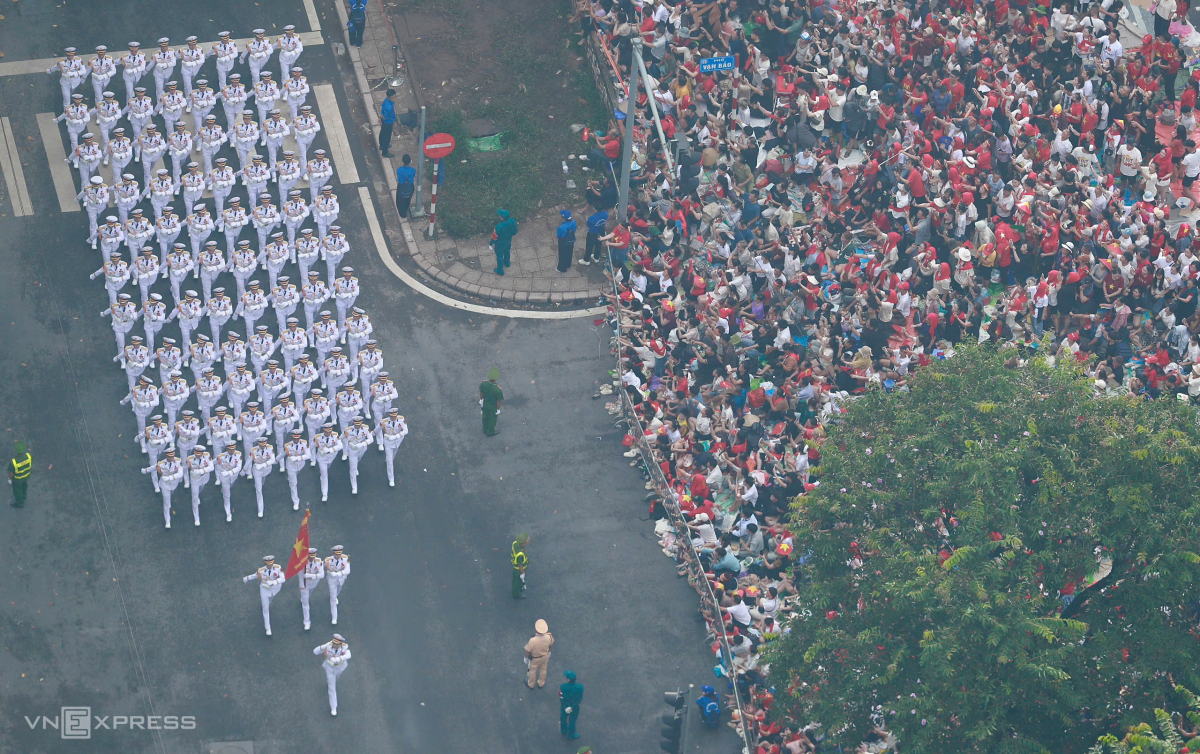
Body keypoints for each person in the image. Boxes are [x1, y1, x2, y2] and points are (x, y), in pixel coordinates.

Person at [242, 555, 284, 636]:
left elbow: (283, 578)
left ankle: (269, 603)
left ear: (273, 562)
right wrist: (247, 578)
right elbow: (255, 575)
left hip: (274, 589)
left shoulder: (278, 568)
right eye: (268, 564)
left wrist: (273, 582)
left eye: (271, 563)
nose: (270, 566)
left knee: (270, 600)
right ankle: (267, 628)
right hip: (265, 590)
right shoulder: (261, 570)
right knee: (265, 609)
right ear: (265, 563)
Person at [313, 633, 351, 716]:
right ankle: (333, 707)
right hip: (330, 669)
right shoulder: (329, 646)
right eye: (334, 643)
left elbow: (349, 655)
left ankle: (332, 680)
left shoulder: (344, 648)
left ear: (341, 644)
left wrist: (337, 659)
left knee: (336, 677)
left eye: (337, 644)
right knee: (331, 688)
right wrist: (323, 646)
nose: (335, 645)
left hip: (340, 668)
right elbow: (315, 652)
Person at [298, 547, 325, 631]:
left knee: (308, 595)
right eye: (310, 556)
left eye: (313, 556)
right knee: (305, 604)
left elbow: (322, 574)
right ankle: (307, 622)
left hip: (313, 583)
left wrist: (311, 576)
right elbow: (297, 572)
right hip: (304, 585)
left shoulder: (318, 561)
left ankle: (303, 599)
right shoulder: (302, 562)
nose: (312, 558)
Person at [524, 619, 555, 688]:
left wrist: (526, 657)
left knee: (532, 671)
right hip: (545, 656)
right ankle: (541, 683)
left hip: (535, 658)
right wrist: (549, 652)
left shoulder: (533, 640)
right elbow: (550, 645)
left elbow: (528, 650)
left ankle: (531, 684)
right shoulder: (549, 636)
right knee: (543, 669)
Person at [325, 545, 351, 625]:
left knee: (338, 591)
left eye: (339, 554)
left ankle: (336, 596)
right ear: (333, 553)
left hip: (341, 580)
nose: (338, 556)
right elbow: (324, 568)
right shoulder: (328, 560)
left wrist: (337, 574)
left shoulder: (345, 558)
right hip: (332, 581)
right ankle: (334, 618)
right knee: (332, 599)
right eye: (336, 554)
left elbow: (348, 570)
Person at [559, 670, 584, 739]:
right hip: (574, 708)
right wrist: (572, 707)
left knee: (563, 719)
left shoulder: (563, 687)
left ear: (568, 679)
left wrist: (565, 707)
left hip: (564, 706)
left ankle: (563, 730)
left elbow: (561, 698)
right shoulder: (580, 687)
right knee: (572, 721)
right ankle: (571, 735)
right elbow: (579, 699)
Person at [492, 209, 518, 274]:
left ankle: (500, 271)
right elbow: (515, 232)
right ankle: (507, 263)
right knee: (507, 251)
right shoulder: (512, 221)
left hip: (500, 244)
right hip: (508, 241)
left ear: (502, 218)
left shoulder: (498, 226)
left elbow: (494, 237)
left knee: (500, 256)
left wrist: (491, 244)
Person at [480, 366, 504, 436]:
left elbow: (481, 392)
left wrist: (481, 400)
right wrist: (498, 409)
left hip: (485, 404)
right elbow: (499, 401)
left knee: (485, 417)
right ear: (496, 378)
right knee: (492, 419)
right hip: (493, 406)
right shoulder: (498, 390)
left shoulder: (484, 384)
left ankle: (484, 429)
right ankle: (490, 432)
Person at [9, 440, 31, 508]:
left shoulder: (14, 462)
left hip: (17, 480)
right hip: (26, 476)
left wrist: (9, 479)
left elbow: (11, 473)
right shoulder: (29, 456)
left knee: (17, 491)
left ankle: (20, 503)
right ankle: (24, 496)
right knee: (24, 486)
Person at [395, 154, 416, 218]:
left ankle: (402, 213)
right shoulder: (413, 170)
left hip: (401, 187)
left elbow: (399, 180)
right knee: (408, 200)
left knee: (400, 201)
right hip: (410, 187)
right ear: (410, 161)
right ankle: (406, 210)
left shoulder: (399, 170)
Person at [511, 533, 529, 599]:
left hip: (516, 569)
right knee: (517, 582)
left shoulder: (515, 543)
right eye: (527, 539)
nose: (528, 539)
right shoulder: (520, 555)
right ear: (523, 543)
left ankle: (517, 589)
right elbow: (520, 565)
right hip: (518, 570)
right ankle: (516, 594)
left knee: (515, 581)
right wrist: (523, 573)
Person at [380, 89, 396, 157]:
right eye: (393, 97)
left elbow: (381, 107)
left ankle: (381, 145)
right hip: (388, 122)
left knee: (382, 133)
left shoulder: (386, 100)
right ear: (389, 97)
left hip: (384, 121)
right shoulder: (388, 107)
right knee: (387, 137)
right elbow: (386, 116)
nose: (394, 98)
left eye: (395, 96)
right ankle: (385, 152)